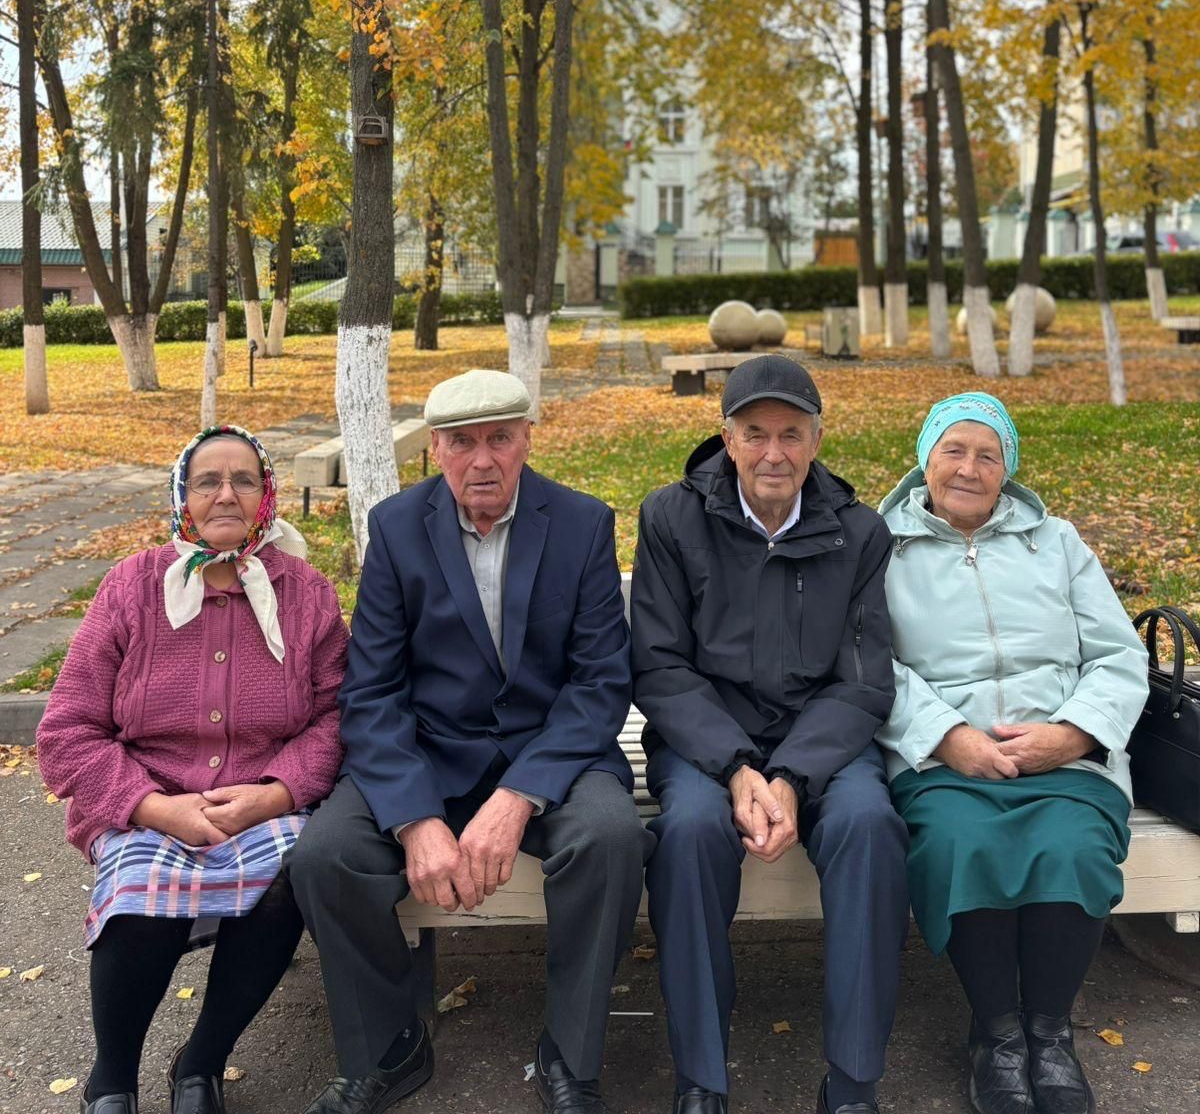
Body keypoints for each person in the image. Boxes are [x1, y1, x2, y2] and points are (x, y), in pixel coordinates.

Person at [288, 369, 649, 1114]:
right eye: (461, 443)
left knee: (612, 837)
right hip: (430, 752)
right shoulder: (393, 526)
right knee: (325, 857)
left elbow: (599, 683)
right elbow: (373, 690)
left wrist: (519, 796)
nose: (482, 461)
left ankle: (570, 1055)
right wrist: (416, 819)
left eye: (499, 439)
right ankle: (388, 1046)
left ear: (525, 441)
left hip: (551, 754)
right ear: (437, 450)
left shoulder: (581, 522)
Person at [37, 424, 349, 1114]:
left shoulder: (306, 594)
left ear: (266, 495)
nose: (226, 493)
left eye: (244, 479)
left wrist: (276, 795)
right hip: (150, 800)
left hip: (259, 803)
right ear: (182, 496)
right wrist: (155, 809)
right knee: (141, 893)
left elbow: (335, 718)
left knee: (287, 884)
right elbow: (65, 731)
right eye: (208, 480)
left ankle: (201, 1063)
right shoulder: (131, 587)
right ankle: (111, 1079)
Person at [631, 353, 908, 1114]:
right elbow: (657, 667)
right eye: (756, 433)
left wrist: (788, 776)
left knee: (868, 826)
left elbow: (862, 680)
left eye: (791, 434)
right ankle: (702, 1078)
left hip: (819, 740)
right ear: (727, 439)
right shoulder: (671, 517)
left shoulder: (858, 532)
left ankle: (852, 1083)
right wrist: (737, 769)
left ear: (816, 441)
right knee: (687, 833)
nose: (773, 453)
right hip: (707, 737)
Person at [876, 392, 1148, 1114]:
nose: (969, 468)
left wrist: (1073, 733)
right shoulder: (879, 545)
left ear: (1009, 469)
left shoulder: (1056, 541)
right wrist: (946, 737)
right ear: (925, 458)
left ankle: (1050, 1032)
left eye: (988, 455)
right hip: (946, 758)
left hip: (1062, 750)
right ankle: (995, 1033)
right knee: (958, 843)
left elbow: (1120, 657)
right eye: (953, 451)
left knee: (1073, 846)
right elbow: (867, 664)